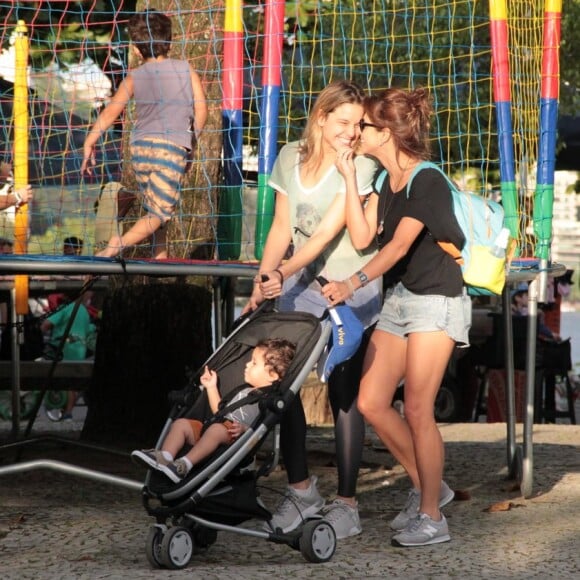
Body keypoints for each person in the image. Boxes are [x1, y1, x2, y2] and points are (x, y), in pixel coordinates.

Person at [320, 87, 471, 547]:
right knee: (371, 402)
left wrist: (350, 284)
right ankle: (433, 488)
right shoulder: (386, 182)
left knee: (420, 408)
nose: (356, 131)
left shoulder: (427, 181)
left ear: (385, 133)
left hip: (436, 300)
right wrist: (348, 177)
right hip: (402, 300)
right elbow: (365, 236)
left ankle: (432, 517)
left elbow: (398, 247)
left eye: (364, 125)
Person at [243, 80, 382, 539]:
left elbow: (324, 235)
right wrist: (264, 281)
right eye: (344, 122)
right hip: (299, 283)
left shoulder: (360, 164)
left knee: (344, 392)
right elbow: (282, 226)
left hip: (348, 287)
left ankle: (346, 503)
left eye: (359, 124)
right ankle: (301, 489)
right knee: (281, 382)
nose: (352, 131)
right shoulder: (289, 156)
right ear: (321, 118)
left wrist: (281, 272)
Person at [81, 10, 208, 259]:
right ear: (169, 42)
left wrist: (90, 141)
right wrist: (191, 140)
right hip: (171, 147)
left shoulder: (135, 76)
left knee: (156, 202)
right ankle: (120, 243)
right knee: (160, 210)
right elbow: (201, 110)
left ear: (137, 50)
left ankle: (158, 254)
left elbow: (110, 113)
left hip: (140, 150)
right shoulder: (185, 69)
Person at [131, 338, 296, 483]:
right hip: (214, 427)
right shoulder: (243, 390)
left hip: (233, 438)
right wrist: (210, 387)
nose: (247, 365)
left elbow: (263, 425)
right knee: (181, 424)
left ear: (272, 375)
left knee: (216, 430)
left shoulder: (269, 400)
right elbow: (220, 410)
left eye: (253, 363)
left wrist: (245, 429)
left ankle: (183, 465)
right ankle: (165, 457)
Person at [40, 292, 96, 421]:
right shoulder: (84, 311)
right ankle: (68, 412)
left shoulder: (65, 308)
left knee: (64, 380)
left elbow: (45, 325)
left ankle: (66, 411)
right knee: (72, 382)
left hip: (63, 348)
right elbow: (89, 331)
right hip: (80, 349)